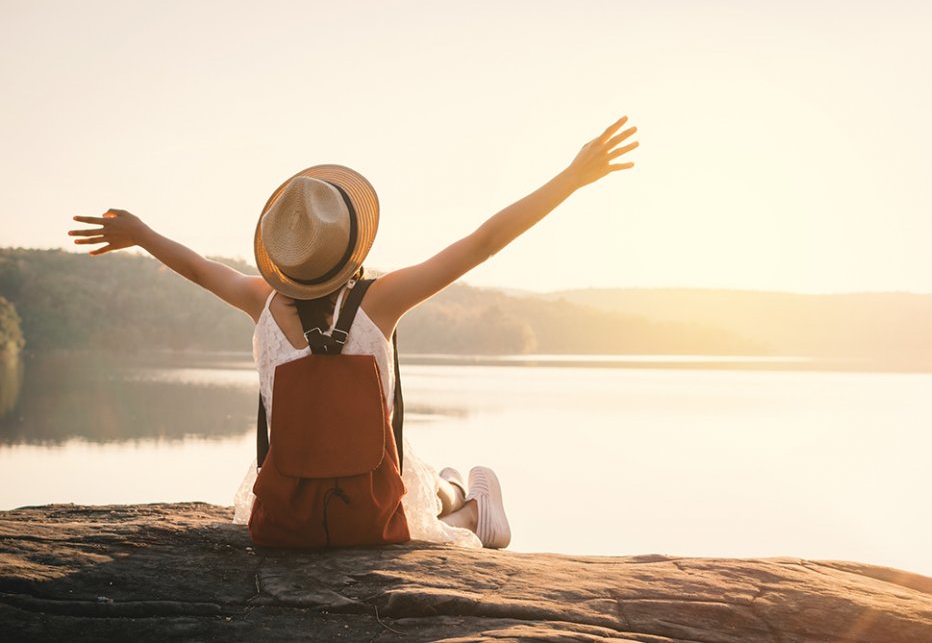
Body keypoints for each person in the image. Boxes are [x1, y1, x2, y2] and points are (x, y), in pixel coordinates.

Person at [68, 116, 639, 549]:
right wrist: (571, 178)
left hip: (288, 519)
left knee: (414, 470)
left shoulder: (259, 301)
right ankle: (468, 508)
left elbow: (197, 268)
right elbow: (483, 242)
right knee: (416, 478)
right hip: (371, 516)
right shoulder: (382, 300)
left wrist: (141, 234)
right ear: (350, 247)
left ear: (283, 258)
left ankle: (455, 489)